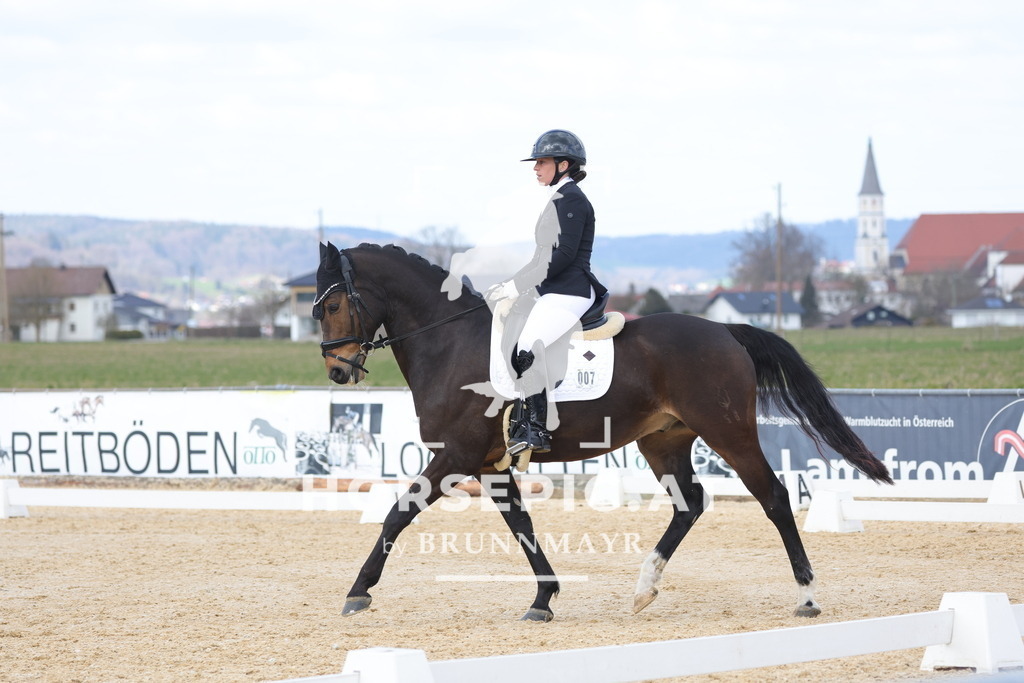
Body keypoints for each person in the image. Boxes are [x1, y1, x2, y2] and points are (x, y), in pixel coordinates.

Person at [486, 129, 609, 456]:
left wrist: (516, 286)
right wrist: (508, 286)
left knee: (527, 345)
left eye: (542, 162)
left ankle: (536, 430)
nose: (536, 168)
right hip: (553, 290)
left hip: (570, 291)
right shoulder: (558, 199)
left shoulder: (571, 200)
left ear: (564, 164)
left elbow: (562, 255)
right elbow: (541, 258)